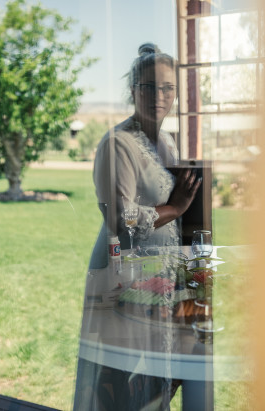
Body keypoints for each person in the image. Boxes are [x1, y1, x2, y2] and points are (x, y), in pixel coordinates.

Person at [73, 43, 202, 410]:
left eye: (167, 87)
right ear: (133, 90)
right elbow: (119, 218)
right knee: (117, 380)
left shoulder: (167, 142)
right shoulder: (118, 144)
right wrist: (175, 207)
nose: (159, 96)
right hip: (122, 273)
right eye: (149, 87)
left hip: (161, 274)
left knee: (165, 370)